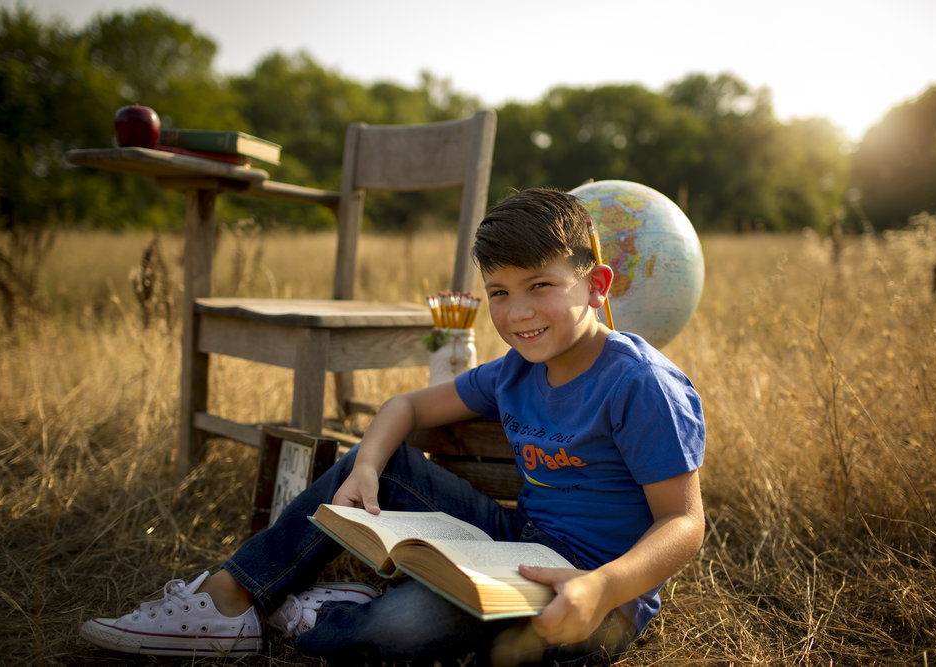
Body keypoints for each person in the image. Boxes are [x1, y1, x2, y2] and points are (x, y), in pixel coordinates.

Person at [80, 187, 706, 666]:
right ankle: (230, 601)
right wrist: (368, 470)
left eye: (541, 286)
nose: (518, 313)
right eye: (498, 292)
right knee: (372, 461)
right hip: (521, 544)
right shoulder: (514, 372)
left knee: (403, 625)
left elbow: (684, 523)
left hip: (597, 598)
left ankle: (322, 619)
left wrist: (600, 587)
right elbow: (405, 408)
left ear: (596, 285)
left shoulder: (640, 383)